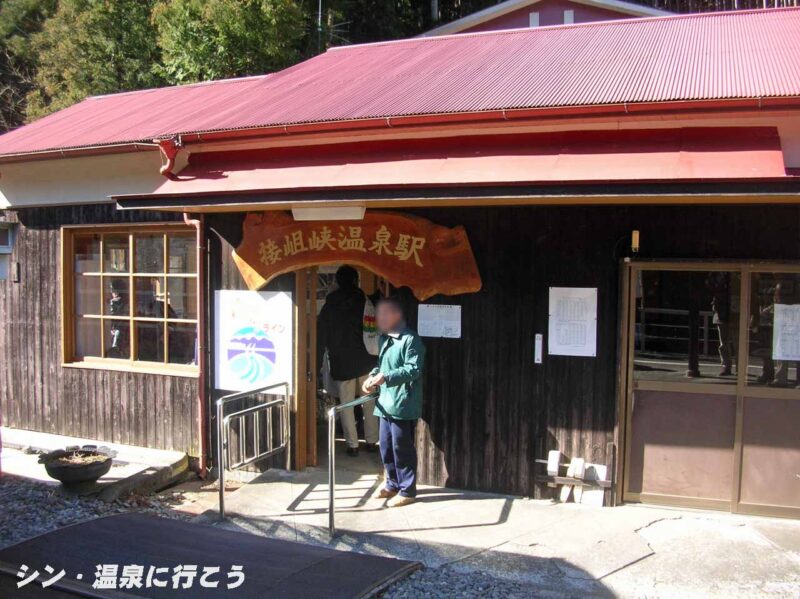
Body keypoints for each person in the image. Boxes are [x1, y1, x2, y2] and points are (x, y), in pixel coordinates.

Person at [363, 297, 426, 507]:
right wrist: (371, 378)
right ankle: (391, 483)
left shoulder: (411, 340)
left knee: (402, 447)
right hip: (384, 402)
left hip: (403, 402)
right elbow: (381, 366)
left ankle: (408, 490)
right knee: (386, 446)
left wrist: (386, 377)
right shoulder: (385, 339)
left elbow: (413, 369)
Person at [318, 265, 379, 456]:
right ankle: (371, 441)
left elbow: (322, 333)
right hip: (366, 360)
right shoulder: (365, 300)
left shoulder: (331, 303)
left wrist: (319, 359)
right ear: (355, 280)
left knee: (346, 405)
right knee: (369, 402)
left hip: (341, 361)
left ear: (337, 281)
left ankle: (352, 445)